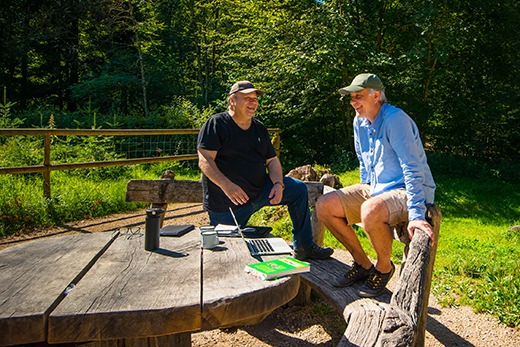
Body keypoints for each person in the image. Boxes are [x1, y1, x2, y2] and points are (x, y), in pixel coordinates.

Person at [315, 73, 436, 297]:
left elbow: (413, 168)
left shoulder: (395, 119)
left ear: (376, 95)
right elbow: (364, 160)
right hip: (377, 186)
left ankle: (383, 268)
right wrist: (364, 190)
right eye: (351, 98)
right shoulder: (359, 121)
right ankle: (363, 265)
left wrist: (418, 214)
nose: (353, 102)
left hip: (406, 190)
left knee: (369, 209)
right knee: (324, 205)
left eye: (358, 96)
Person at [197, 80, 333, 261]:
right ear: (232, 101)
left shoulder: (259, 128)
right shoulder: (216, 124)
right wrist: (227, 185)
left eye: (255, 99)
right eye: (247, 98)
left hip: (260, 193)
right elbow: (204, 160)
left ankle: (305, 247)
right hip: (226, 203)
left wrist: (278, 184)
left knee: (298, 189)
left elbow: (273, 161)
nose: (253, 103)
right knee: (225, 257)